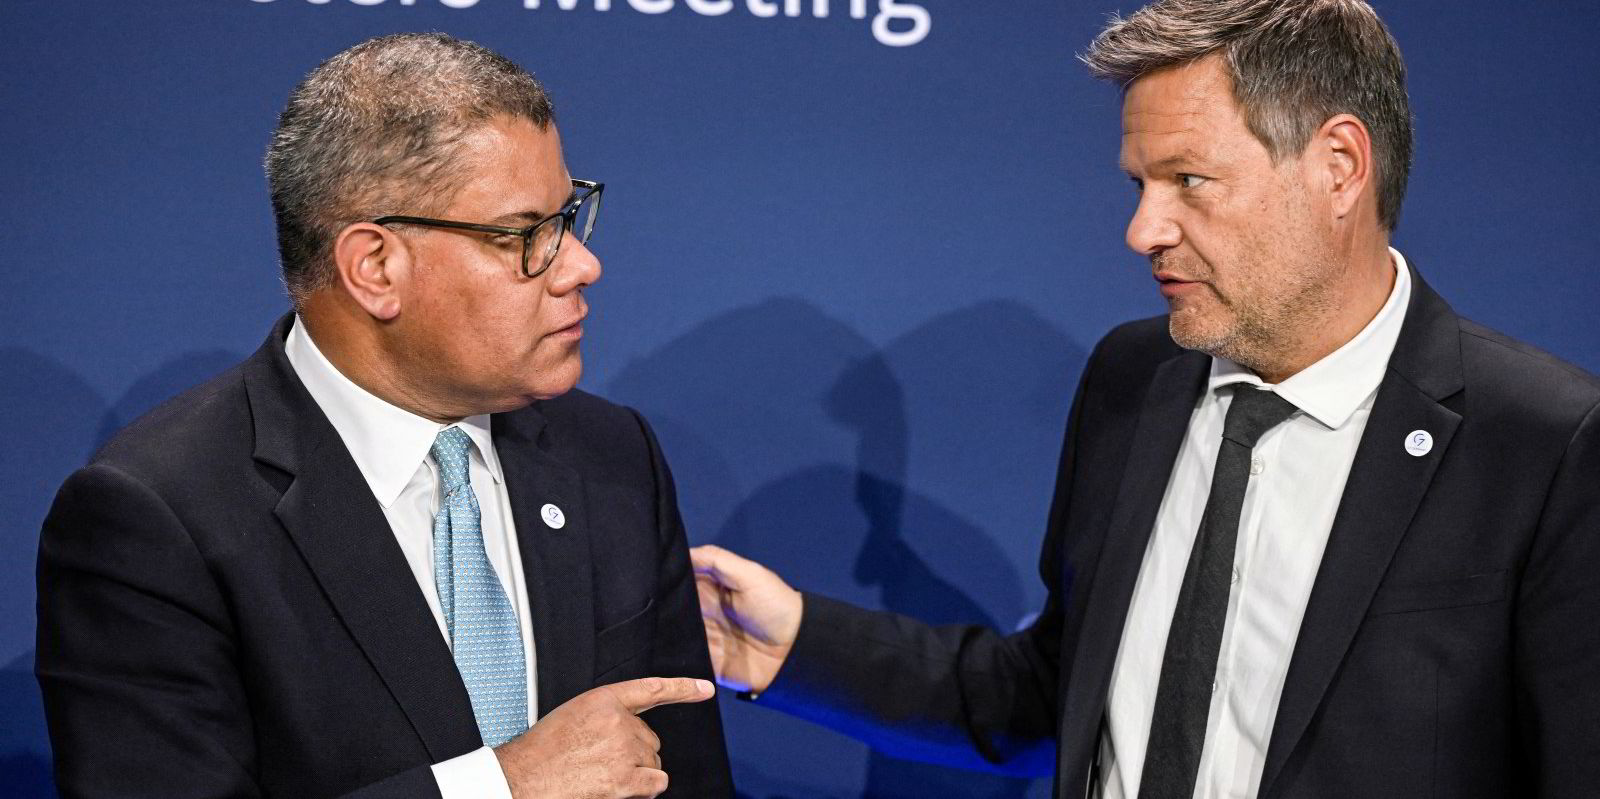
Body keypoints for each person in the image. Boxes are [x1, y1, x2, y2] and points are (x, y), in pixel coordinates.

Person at [692, 1, 1600, 797]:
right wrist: (795, 645)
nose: (1142, 230)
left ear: (1337, 165)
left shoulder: (1545, 445)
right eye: (1140, 183)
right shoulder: (1134, 380)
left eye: (1188, 180)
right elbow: (1055, 693)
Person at [36, 33, 731, 799]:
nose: (581, 264)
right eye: (525, 233)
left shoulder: (611, 453)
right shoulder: (160, 514)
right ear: (374, 267)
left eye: (568, 215)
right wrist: (502, 786)